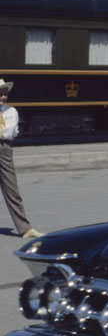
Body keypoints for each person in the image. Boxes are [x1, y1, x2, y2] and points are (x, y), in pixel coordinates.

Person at [0, 79, 42, 238]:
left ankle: (25, 229)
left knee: (12, 189)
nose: (3, 97)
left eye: (5, 94)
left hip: (5, 149)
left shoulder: (12, 112)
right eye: (0, 94)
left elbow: (14, 132)